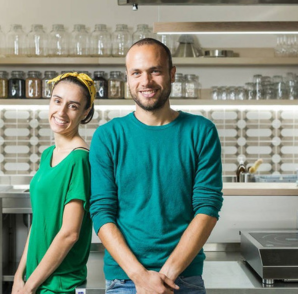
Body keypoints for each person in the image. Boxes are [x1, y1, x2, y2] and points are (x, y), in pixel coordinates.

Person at [89, 38, 224, 294]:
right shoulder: (108, 136)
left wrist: (166, 275)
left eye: (155, 70)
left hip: (183, 277)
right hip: (125, 279)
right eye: (136, 73)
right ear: (127, 78)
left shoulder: (201, 131)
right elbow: (102, 211)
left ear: (172, 74)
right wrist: (140, 277)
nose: (146, 81)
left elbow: (207, 207)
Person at [12, 73, 95, 294]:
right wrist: (19, 276)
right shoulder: (49, 153)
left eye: (73, 106)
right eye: (57, 101)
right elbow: (39, 222)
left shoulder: (80, 159)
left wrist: (29, 286)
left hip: (59, 283)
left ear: (85, 112)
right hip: (36, 277)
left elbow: (70, 234)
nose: (61, 111)